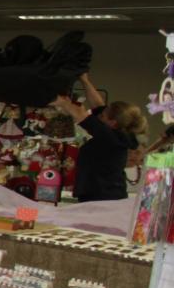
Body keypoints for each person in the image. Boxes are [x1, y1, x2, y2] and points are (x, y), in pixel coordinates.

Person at [52, 72, 146, 201]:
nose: (100, 115)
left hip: (102, 197)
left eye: (103, 116)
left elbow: (80, 114)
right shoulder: (121, 132)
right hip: (104, 194)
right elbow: (98, 105)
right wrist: (85, 80)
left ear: (113, 123)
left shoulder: (110, 138)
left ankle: (26, 216)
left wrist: (61, 102)